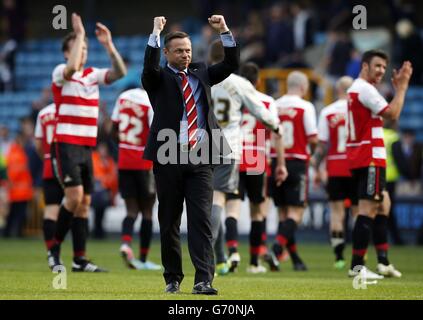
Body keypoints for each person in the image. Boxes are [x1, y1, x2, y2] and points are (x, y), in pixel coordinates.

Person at [141, 15, 238, 295]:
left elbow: (232, 64)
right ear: (166, 53)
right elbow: (148, 66)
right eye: (179, 51)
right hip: (168, 156)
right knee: (169, 220)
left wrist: (224, 30)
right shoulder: (156, 78)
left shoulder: (202, 71)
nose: (185, 55)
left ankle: (203, 280)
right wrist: (156, 32)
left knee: (201, 221)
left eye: (188, 50)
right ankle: (172, 278)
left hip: (201, 157)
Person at [48, 13, 126, 272]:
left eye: (84, 49)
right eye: (78, 49)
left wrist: (108, 45)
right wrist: (80, 33)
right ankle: (54, 250)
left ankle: (79, 259)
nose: (83, 53)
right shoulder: (61, 72)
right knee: (74, 196)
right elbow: (71, 68)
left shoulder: (92, 75)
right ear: (66, 52)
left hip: (86, 147)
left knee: (84, 204)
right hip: (66, 144)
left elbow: (120, 72)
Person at [208, 56, 285, 275]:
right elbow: (268, 121)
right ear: (257, 81)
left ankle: (231, 250)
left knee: (227, 203)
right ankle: (254, 262)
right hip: (254, 155)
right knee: (256, 210)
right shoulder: (264, 99)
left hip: (213, 146)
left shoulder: (208, 81)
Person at [346, 49, 412, 279]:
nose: (382, 71)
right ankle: (357, 267)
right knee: (368, 210)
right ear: (365, 66)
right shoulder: (365, 89)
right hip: (369, 157)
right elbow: (392, 114)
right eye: (377, 66)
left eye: (384, 67)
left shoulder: (358, 89)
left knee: (383, 204)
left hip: (362, 156)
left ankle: (383, 262)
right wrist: (402, 88)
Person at [271, 71, 318, 271]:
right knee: (296, 213)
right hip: (297, 162)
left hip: (276, 161)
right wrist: (312, 152)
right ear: (303, 87)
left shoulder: (275, 104)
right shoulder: (305, 106)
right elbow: (313, 138)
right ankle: (276, 247)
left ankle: (296, 260)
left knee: (283, 214)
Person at [111, 87, 161, 271]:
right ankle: (143, 258)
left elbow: (112, 130)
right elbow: (155, 133)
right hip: (144, 163)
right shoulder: (150, 101)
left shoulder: (122, 97)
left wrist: (124, 148)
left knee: (131, 210)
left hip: (124, 161)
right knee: (147, 210)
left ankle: (125, 243)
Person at [313, 76, 354, 269]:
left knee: (337, 214)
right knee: (358, 212)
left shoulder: (328, 112)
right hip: (355, 167)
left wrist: (317, 166)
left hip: (335, 167)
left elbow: (322, 145)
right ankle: (359, 255)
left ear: (338, 90)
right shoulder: (358, 109)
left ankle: (339, 257)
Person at [91, 142, 118, 239]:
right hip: (93, 191)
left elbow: (113, 177)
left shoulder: (109, 161)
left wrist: (103, 180)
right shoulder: (94, 158)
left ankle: (99, 232)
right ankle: (91, 232)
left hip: (104, 192)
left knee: (101, 212)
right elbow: (94, 175)